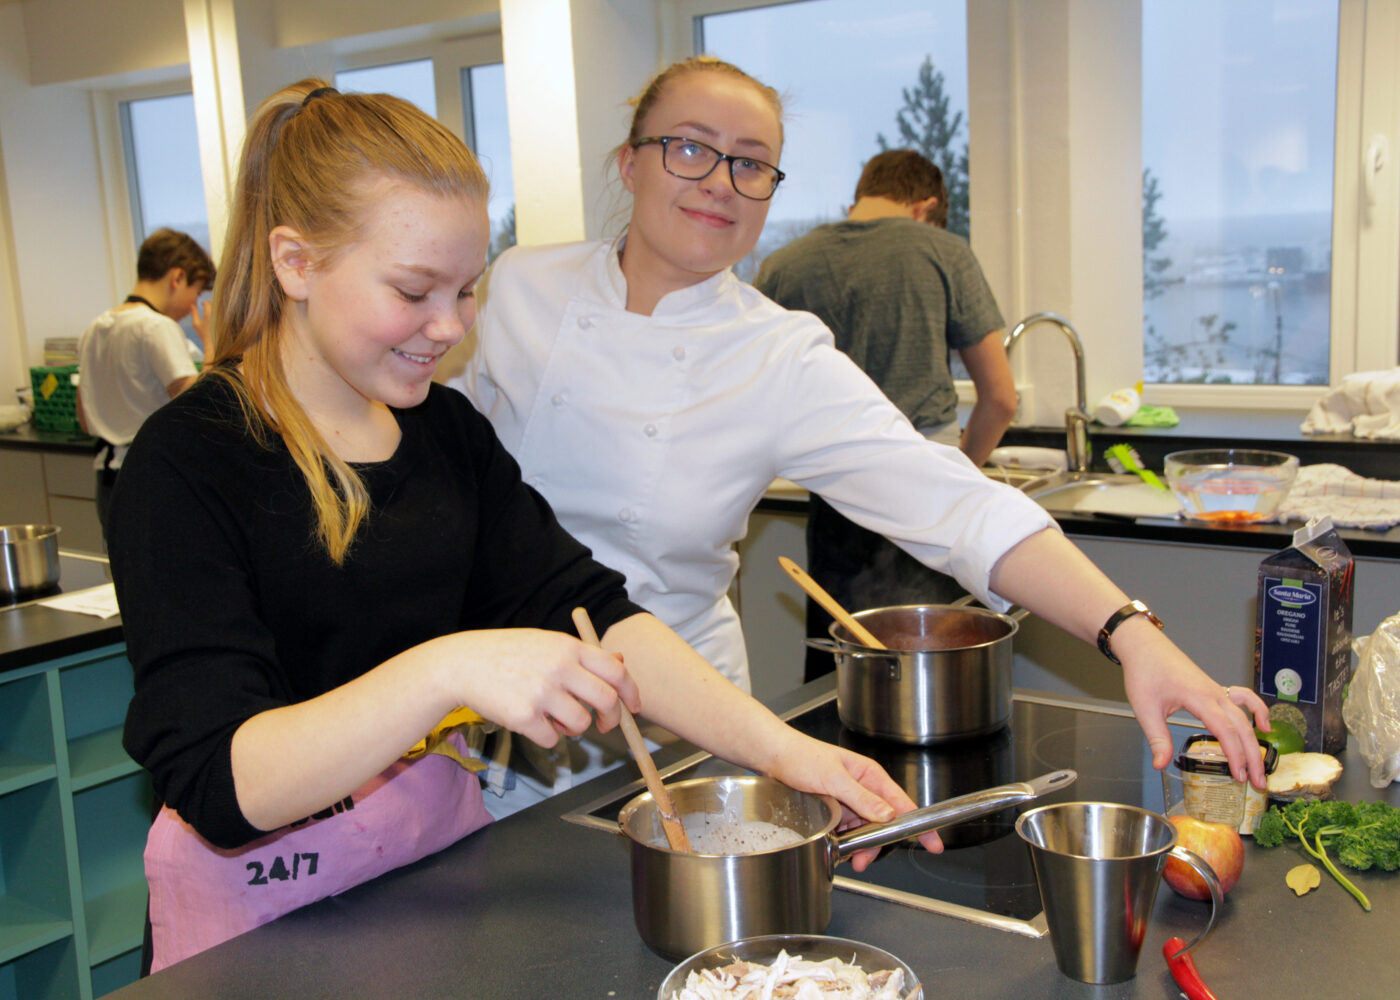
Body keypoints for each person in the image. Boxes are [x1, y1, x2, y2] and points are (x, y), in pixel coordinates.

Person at [108, 78, 928, 973]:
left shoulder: (442, 434)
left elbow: (590, 609)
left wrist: (791, 755)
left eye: (465, 291)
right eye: (414, 290)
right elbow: (225, 782)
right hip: (260, 920)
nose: (449, 328)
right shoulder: (186, 461)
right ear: (296, 263)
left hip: (427, 872)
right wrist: (450, 666)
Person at [450, 56, 1270, 790]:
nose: (720, 182)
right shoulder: (516, 286)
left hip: (672, 722)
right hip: (494, 701)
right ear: (629, 163)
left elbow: (954, 503)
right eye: (690, 147)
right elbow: (433, 457)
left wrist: (1132, 635)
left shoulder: (779, 354)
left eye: (751, 164)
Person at [754, 149, 1018, 681]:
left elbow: (747, 387)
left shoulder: (784, 264)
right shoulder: (944, 251)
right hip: (928, 494)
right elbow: (1001, 398)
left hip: (835, 497)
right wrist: (964, 469)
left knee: (843, 668)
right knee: (935, 674)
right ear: (925, 207)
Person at [76, 227, 215, 541]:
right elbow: (198, 409)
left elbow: (85, 419)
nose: (195, 303)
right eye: (197, 291)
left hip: (107, 479)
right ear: (177, 277)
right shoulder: (156, 327)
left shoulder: (94, 329)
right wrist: (210, 343)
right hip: (152, 477)